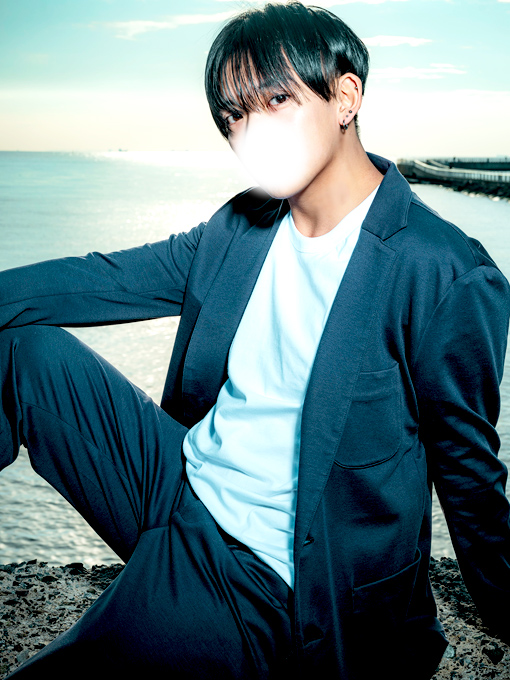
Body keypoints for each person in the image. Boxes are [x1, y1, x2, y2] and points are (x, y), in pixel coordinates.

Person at [1, 2, 509, 678]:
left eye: (276, 100)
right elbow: (102, 279)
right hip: (179, 484)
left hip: (265, 571)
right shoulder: (241, 228)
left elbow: (468, 468)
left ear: (346, 96)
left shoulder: (441, 270)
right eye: (234, 116)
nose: (251, 133)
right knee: (24, 352)